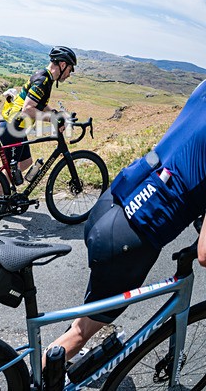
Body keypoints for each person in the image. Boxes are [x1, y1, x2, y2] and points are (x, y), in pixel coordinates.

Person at [46, 79, 206, 363]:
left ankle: (60, 359)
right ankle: (40, 375)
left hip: (113, 201)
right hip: (128, 236)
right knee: (81, 332)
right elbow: (204, 254)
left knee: (94, 306)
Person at [0, 46, 77, 212]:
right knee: (11, 170)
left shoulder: (45, 78)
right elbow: (28, 109)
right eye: (70, 69)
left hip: (17, 128)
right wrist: (53, 120)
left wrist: (55, 115)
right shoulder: (43, 80)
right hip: (12, 129)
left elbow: (40, 105)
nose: (69, 74)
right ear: (63, 64)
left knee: (26, 163)